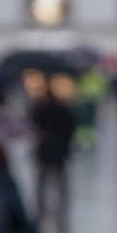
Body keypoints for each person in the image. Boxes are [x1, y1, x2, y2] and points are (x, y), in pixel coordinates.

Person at [30, 77, 78, 219]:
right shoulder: (62, 108)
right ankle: (56, 201)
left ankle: (43, 202)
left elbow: (33, 127)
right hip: (56, 149)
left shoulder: (40, 108)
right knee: (55, 177)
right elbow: (71, 128)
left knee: (45, 178)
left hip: (48, 149)